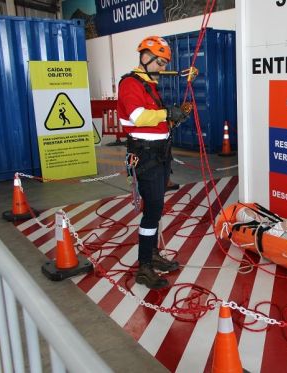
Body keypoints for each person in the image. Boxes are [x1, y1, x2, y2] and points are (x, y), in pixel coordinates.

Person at [117, 36, 190, 289]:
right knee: (152, 211)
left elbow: (155, 120)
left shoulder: (150, 85)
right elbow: (138, 117)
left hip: (158, 154)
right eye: (158, 61)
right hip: (146, 156)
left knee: (156, 209)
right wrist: (167, 113)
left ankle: (151, 255)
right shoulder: (130, 83)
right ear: (144, 57)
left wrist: (173, 118)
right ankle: (144, 266)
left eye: (163, 62)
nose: (161, 66)